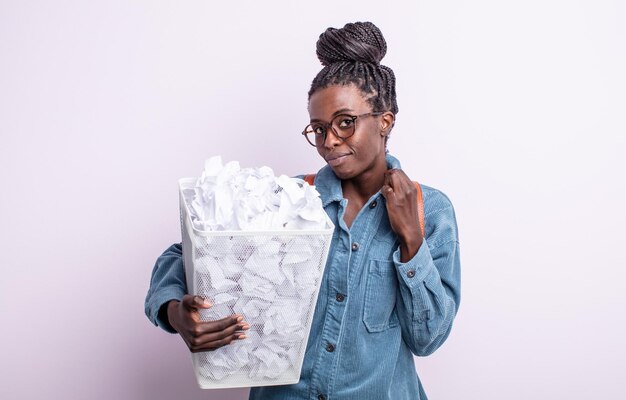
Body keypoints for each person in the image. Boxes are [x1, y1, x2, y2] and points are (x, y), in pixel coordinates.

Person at [145, 21, 461, 400]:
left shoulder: (432, 211)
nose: (329, 141)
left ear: (384, 121)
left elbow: (428, 339)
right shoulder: (288, 198)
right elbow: (188, 252)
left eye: (345, 123)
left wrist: (411, 239)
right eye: (318, 128)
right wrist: (174, 311)